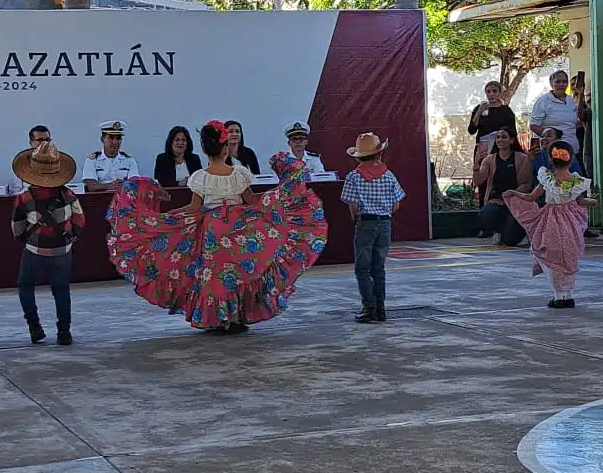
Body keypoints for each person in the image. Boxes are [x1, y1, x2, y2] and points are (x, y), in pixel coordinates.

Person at [107, 121, 326, 334]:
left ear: (204, 149)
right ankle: (237, 317)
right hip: (239, 228)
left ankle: (217, 319)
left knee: (214, 276)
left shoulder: (199, 177)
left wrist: (167, 216)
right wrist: (276, 197)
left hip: (211, 230)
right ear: (225, 148)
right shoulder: (238, 174)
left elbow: (194, 207)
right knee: (239, 272)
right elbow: (251, 201)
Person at [503, 141, 597, 308]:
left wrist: (513, 194)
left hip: (550, 221)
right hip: (571, 223)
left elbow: (530, 197)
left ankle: (558, 295)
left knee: (550, 255)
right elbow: (581, 201)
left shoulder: (547, 179)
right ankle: (568, 294)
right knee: (569, 256)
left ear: (551, 160)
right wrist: (593, 201)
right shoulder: (577, 181)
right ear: (571, 159)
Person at [11, 141, 85, 346]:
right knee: (61, 290)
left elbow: (17, 228)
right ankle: (64, 332)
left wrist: (27, 239)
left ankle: (35, 327)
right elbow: (80, 221)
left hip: (34, 250)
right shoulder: (69, 195)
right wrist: (70, 240)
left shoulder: (24, 197)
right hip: (62, 251)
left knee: (25, 286)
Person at [340, 132, 406, 323]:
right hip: (385, 223)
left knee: (362, 268)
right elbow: (396, 205)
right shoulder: (389, 175)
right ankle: (381, 308)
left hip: (365, 222)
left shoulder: (354, 176)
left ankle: (368, 307)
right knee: (379, 268)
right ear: (380, 154)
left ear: (359, 157)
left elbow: (352, 203)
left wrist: (356, 220)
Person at [473, 127, 530, 246]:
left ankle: (518, 231)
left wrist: (512, 196)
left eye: (504, 137)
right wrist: (476, 164)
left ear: (512, 140)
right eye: (498, 137)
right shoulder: (489, 159)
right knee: (485, 215)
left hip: (515, 202)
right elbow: (478, 181)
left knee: (509, 241)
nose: (500, 140)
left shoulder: (522, 158)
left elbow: (525, 184)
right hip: (496, 201)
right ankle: (497, 230)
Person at [468, 81, 518, 202]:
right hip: (484, 149)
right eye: (488, 91)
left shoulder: (506, 110)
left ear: (500, 93)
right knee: (483, 180)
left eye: (494, 91)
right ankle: (483, 207)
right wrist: (479, 112)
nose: (491, 94)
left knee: (501, 178)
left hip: (501, 149)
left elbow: (513, 132)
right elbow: (471, 130)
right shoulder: (479, 109)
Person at [529, 70, 581, 157]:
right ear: (551, 83)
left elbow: (574, 124)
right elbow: (533, 126)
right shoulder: (543, 101)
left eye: (564, 81)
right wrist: (551, 137)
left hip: (572, 150)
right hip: (552, 153)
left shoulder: (571, 100)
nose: (561, 84)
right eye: (557, 82)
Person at [82, 120, 140, 191]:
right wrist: (109, 186)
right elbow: (91, 186)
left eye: (118, 138)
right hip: (100, 198)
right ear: (102, 139)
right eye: (111, 138)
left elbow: (135, 183)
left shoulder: (129, 160)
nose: (115, 142)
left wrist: (123, 185)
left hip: (123, 199)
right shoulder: (92, 160)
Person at [6, 125, 56, 195]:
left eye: (47, 140)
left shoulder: (56, 163)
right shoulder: (19, 164)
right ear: (31, 143)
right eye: (40, 140)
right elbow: (14, 195)